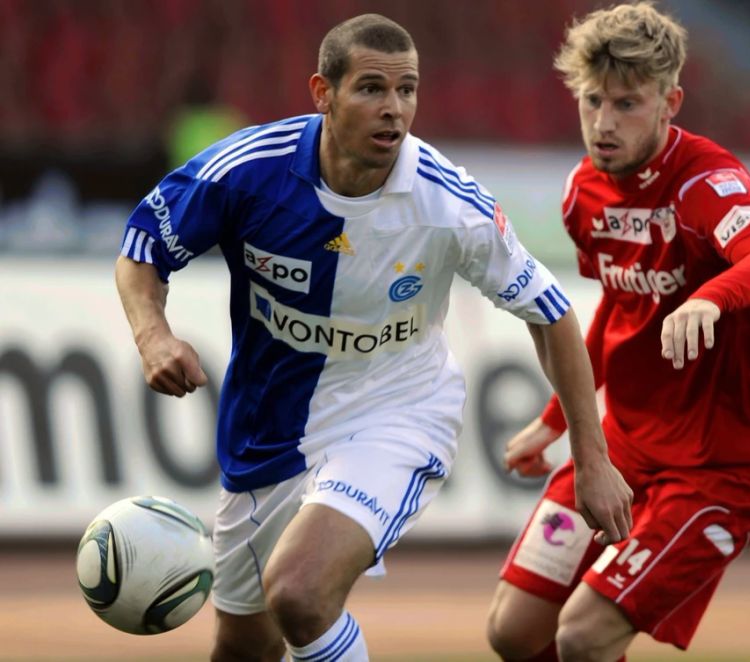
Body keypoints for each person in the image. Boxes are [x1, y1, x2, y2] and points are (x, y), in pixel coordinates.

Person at [114, 13, 632, 662]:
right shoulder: (250, 170)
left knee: (299, 593)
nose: (395, 109)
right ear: (321, 94)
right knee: (243, 648)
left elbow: (551, 313)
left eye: (407, 90)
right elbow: (141, 249)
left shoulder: (448, 204)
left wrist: (592, 457)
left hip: (394, 413)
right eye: (371, 89)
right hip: (266, 430)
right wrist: (152, 337)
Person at [487, 3, 750, 661]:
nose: (604, 124)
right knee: (514, 631)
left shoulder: (705, 185)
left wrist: (711, 300)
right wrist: (554, 421)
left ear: (670, 103)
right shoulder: (585, 194)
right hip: (627, 448)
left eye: (627, 104)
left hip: (729, 465)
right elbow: (621, 306)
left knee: (582, 634)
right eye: (592, 101)